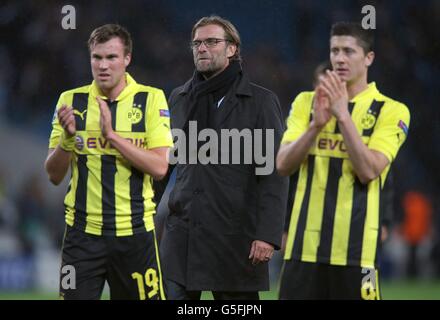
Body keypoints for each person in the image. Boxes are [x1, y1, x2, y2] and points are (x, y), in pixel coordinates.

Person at [156, 15, 288, 300]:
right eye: (197, 43)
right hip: (182, 235)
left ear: (232, 49)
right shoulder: (179, 98)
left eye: (211, 42)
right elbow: (163, 164)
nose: (202, 48)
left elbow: (272, 174)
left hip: (234, 239)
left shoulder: (261, 102)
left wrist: (267, 234)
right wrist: (139, 216)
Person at [276, 22, 410, 299]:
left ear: (368, 58)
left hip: (358, 255)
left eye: (348, 51)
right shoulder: (305, 102)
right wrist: (315, 126)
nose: (339, 58)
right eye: (334, 50)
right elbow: (283, 164)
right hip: (302, 250)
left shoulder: (392, 110)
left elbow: (369, 170)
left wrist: (343, 116)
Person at [44, 24, 173, 300]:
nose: (103, 65)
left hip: (135, 234)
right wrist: (68, 140)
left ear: (127, 59)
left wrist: (112, 137)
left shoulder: (150, 99)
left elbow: (160, 167)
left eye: (111, 57)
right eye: (97, 57)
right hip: (82, 236)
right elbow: (53, 175)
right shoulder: (71, 101)